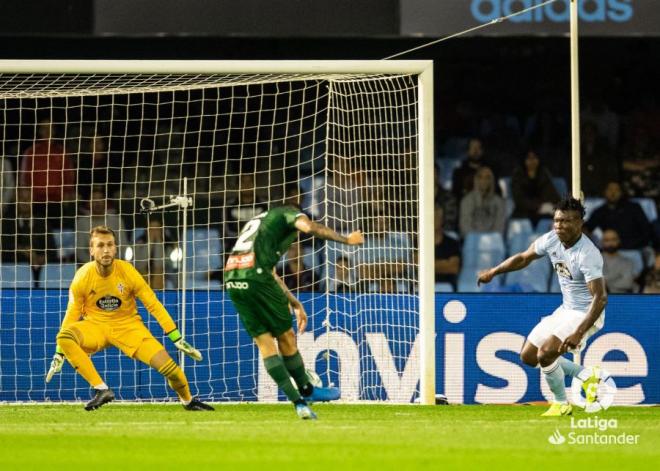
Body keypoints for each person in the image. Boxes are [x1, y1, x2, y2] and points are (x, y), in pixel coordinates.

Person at [45, 225, 213, 412]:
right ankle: (101, 389)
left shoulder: (128, 272)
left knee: (173, 372)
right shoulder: (82, 277)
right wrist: (60, 353)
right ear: (91, 250)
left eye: (110, 245)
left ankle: (188, 401)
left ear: (116, 248)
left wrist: (176, 338)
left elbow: (153, 304)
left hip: (129, 327)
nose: (106, 250)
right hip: (96, 327)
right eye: (100, 245)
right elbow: (72, 313)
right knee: (64, 337)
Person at [225, 205, 363, 419]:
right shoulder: (288, 214)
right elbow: (308, 227)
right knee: (286, 338)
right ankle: (308, 391)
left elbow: (271, 273)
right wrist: (347, 240)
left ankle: (300, 403)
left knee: (265, 345)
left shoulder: (260, 224)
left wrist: (295, 302)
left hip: (232, 279)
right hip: (256, 277)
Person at [477, 196, 607, 416]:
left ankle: (560, 403)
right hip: (566, 309)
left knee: (546, 354)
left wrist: (579, 332)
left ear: (579, 223)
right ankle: (586, 376)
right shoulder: (552, 239)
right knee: (529, 356)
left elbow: (600, 298)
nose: (559, 226)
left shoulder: (588, 254)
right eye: (557, 221)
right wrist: (494, 271)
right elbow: (524, 258)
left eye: (566, 221)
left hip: (585, 313)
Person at [585, 181, 651, 250]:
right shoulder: (600, 211)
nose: (613, 193)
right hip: (610, 251)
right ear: (604, 192)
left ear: (621, 192)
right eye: (610, 189)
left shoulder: (634, 208)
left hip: (634, 249)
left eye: (616, 190)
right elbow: (587, 228)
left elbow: (646, 231)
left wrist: (634, 245)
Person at [510, 149, 560, 226]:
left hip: (543, 212)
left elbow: (552, 194)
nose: (532, 161)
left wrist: (548, 206)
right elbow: (519, 199)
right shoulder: (518, 175)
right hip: (523, 213)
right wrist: (538, 206)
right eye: (529, 158)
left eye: (534, 158)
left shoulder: (543, 173)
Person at [459, 166, 506, 238]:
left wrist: (488, 238)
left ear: (492, 180)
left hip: (493, 240)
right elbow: (465, 226)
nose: (484, 180)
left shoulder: (499, 202)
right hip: (472, 240)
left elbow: (500, 226)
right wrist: (477, 238)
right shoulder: (466, 200)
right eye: (480, 177)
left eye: (488, 177)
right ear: (475, 179)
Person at [600, 229, 636, 293]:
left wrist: (606, 284)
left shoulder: (627, 262)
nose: (610, 243)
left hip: (620, 298)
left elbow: (627, 283)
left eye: (613, 239)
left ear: (618, 241)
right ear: (602, 242)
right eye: (607, 240)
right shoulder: (593, 260)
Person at [434, 206, 460, 291]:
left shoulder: (452, 242)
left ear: (442, 220)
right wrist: (445, 264)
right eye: (432, 216)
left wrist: (428, 265)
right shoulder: (419, 242)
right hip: (423, 286)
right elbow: (417, 265)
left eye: (437, 216)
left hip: (445, 286)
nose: (434, 219)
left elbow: (453, 268)